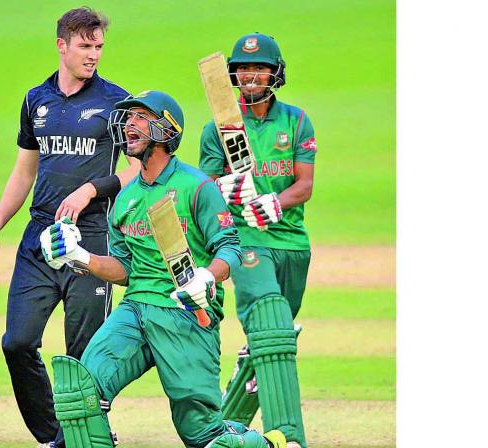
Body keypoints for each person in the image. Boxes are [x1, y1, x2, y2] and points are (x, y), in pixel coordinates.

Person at [40, 90, 288, 448]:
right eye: (127, 118)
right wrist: (80, 257)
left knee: (203, 436)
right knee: (82, 391)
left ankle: (265, 444)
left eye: (141, 117)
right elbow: (125, 268)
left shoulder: (196, 186)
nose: (129, 124)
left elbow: (230, 248)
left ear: (167, 129)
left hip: (185, 314)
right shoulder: (125, 199)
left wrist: (207, 275)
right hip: (135, 310)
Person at [0, 7, 140, 447]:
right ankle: (54, 436)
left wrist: (91, 189)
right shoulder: (35, 100)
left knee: (83, 356)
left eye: (99, 46)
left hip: (92, 239)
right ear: (62, 45)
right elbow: (24, 172)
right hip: (40, 240)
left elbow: (139, 170)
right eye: (85, 46)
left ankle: (82, 437)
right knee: (17, 342)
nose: (94, 55)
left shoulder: (117, 102)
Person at [198, 33, 318, 448]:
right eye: (244, 68)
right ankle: (290, 436)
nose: (250, 75)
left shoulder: (296, 120)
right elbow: (205, 185)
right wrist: (225, 187)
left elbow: (304, 185)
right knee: (269, 324)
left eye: (259, 68)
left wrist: (277, 205)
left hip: (291, 242)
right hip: (246, 239)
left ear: (274, 73)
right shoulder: (219, 129)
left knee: (268, 344)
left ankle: (223, 433)